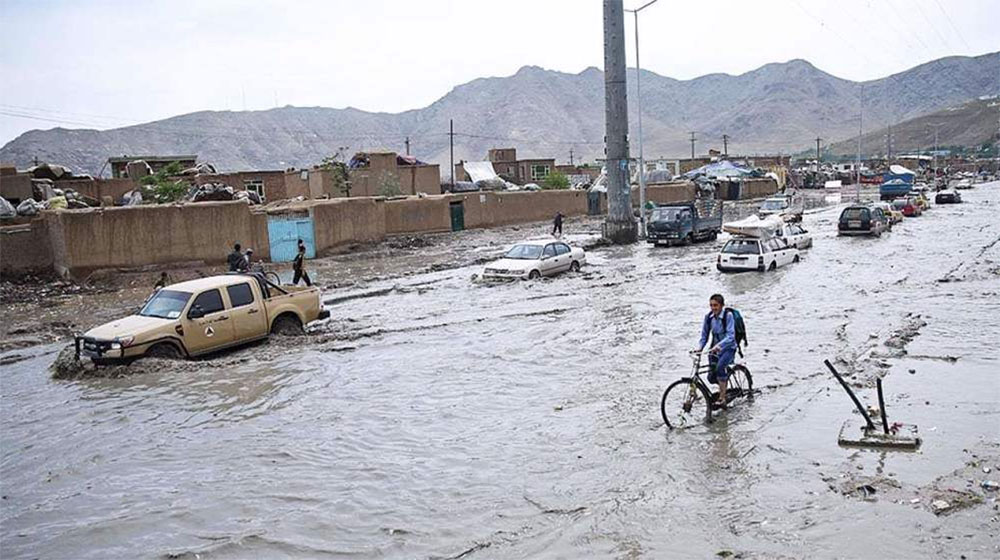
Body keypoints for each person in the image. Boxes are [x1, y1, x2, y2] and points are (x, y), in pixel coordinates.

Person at [696, 294, 737, 410]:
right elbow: (704, 336)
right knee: (711, 376)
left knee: (719, 368)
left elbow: (731, 336)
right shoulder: (708, 317)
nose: (713, 308)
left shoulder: (728, 316)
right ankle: (723, 384)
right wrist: (699, 348)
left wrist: (720, 345)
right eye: (711, 305)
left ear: (722, 306)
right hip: (714, 349)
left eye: (716, 305)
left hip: (728, 348)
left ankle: (722, 398)